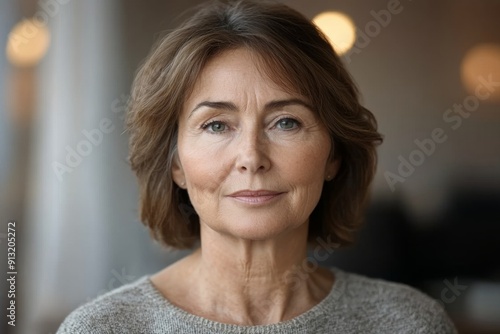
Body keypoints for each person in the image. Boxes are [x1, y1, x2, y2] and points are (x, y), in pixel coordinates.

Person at [57, 1, 457, 333]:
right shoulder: (101, 328)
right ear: (175, 162)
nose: (251, 157)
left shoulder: (410, 324)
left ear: (333, 155)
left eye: (286, 122)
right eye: (216, 125)